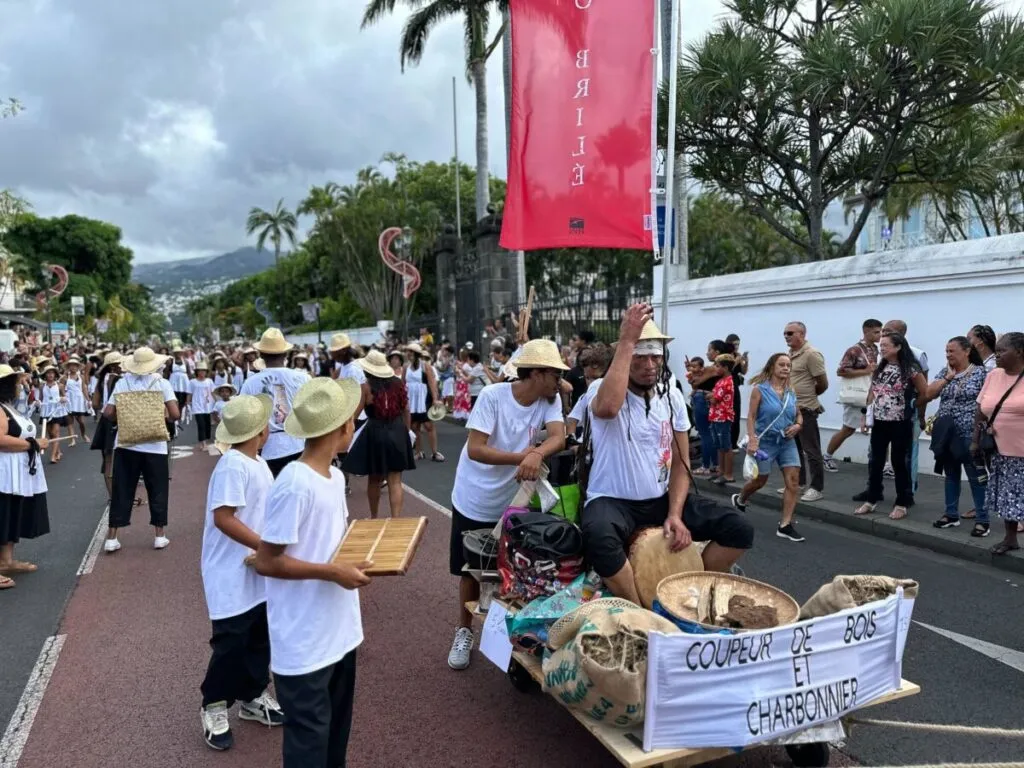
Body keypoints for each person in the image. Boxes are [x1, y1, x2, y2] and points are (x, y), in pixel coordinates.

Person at [580, 306, 753, 604]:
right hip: (611, 499)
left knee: (739, 528)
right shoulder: (600, 388)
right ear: (625, 357)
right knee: (598, 536)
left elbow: (680, 464)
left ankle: (691, 590)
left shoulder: (670, 395)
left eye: (655, 357)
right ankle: (641, 607)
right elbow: (607, 408)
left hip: (660, 499)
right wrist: (627, 340)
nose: (649, 365)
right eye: (640, 357)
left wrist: (674, 513)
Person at [254, 377, 370, 768]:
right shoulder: (294, 483)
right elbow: (267, 560)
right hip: (303, 641)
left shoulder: (335, 477)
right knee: (308, 745)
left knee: (335, 738)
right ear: (343, 427)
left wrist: (356, 560)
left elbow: (330, 543)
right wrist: (332, 572)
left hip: (340, 630)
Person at [447, 339, 567, 671]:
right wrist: (523, 458)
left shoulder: (550, 399)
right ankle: (464, 630)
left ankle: (506, 641)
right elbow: (476, 448)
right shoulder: (492, 396)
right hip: (474, 496)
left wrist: (536, 453)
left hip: (514, 500)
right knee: (470, 570)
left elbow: (559, 436)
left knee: (512, 571)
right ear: (537, 373)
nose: (560, 381)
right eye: (555, 374)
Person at [199, 394, 283, 751]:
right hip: (229, 570)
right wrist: (264, 545)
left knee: (258, 635)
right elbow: (223, 518)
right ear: (261, 431)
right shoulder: (233, 465)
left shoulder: (257, 462)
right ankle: (214, 705)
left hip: (255, 567)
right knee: (231, 642)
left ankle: (251, 696)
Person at [102, 346, 180, 553]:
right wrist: (161, 416)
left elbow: (108, 412)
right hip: (155, 446)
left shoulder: (122, 383)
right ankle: (159, 535)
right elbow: (175, 414)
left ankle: (112, 537)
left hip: (126, 443)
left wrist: (124, 417)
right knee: (158, 489)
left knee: (122, 489)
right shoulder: (161, 383)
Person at [732, 353, 805, 541]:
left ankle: (785, 525)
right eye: (782, 364)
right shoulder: (760, 390)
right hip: (765, 442)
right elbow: (751, 416)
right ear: (772, 367)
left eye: (788, 365)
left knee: (793, 482)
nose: (786, 368)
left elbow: (798, 414)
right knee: (760, 480)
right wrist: (752, 439)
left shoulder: (791, 391)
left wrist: (798, 425)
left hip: (787, 441)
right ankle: (741, 497)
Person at [855, 332, 926, 520]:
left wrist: (912, 407)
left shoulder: (910, 369)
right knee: (876, 461)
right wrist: (865, 415)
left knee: (898, 462)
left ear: (898, 347)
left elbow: (925, 392)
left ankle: (902, 502)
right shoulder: (881, 366)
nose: (882, 348)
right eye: (881, 345)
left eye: (886, 345)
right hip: (879, 421)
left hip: (900, 422)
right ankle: (871, 499)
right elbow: (872, 392)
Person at [926, 337, 989, 536]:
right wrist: (947, 378)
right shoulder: (945, 372)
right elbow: (928, 393)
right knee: (951, 474)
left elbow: (988, 403)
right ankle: (951, 514)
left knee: (976, 477)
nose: (948, 355)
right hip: (947, 434)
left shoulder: (980, 373)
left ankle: (982, 520)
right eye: (946, 351)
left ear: (967, 351)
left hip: (970, 433)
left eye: (952, 351)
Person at [343, 350, 416, 518]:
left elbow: (356, 414)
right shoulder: (398, 383)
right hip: (397, 430)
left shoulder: (366, 386)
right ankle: (395, 519)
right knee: (395, 480)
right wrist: (406, 431)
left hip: (375, 432)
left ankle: (374, 517)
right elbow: (406, 409)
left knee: (374, 480)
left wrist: (346, 430)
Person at [973, 332, 1024, 555]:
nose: (997, 355)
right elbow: (980, 409)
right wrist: (975, 441)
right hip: (998, 450)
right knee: (1007, 496)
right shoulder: (993, 375)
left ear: (1019, 352)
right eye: (996, 351)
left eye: (1002, 351)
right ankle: (1010, 538)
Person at [0, 364, 49, 590]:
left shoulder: (7, 407)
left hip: (15, 472)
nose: (21, 386)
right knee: (3, 514)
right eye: (17, 383)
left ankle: (6, 561)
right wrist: (32, 444)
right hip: (5, 472)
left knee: (11, 513)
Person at [240, 329, 310, 478]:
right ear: (285, 354)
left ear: (261, 355)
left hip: (269, 448)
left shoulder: (250, 383)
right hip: (300, 444)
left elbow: (244, 418)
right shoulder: (303, 378)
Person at [824, 319, 882, 471]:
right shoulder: (854, 350)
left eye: (880, 332)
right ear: (866, 331)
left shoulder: (876, 349)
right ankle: (827, 456)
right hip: (857, 395)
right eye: (876, 332)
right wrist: (866, 371)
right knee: (848, 429)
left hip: (873, 394)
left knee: (881, 429)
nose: (880, 335)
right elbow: (841, 371)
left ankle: (882, 463)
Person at [783, 321, 828, 502]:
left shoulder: (811, 354)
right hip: (791, 409)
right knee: (794, 449)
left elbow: (823, 383)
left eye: (790, 333)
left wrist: (809, 397)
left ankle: (816, 488)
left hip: (806, 409)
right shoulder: (790, 354)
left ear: (802, 334)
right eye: (785, 333)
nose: (786, 336)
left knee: (811, 450)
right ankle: (798, 483)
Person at [90, 351, 123, 504]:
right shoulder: (119, 380)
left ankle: (112, 495)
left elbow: (95, 404)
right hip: (117, 419)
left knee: (107, 459)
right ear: (114, 366)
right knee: (118, 459)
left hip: (104, 420)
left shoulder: (101, 380)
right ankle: (120, 496)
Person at [404, 342, 443, 462]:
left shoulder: (425, 366)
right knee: (414, 426)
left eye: (411, 352)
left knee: (428, 425)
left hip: (424, 398)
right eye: (408, 351)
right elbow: (403, 383)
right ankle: (418, 452)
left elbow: (432, 383)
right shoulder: (406, 367)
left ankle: (435, 452)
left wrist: (435, 399)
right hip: (411, 399)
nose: (408, 354)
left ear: (416, 354)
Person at [708, 354, 737, 485]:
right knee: (719, 446)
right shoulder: (720, 381)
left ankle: (728, 474)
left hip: (723, 417)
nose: (715, 368)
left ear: (725, 368)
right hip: (716, 416)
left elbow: (714, 399)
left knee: (726, 446)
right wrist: (711, 396)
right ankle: (721, 471)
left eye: (718, 366)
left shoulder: (728, 382)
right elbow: (714, 396)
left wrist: (710, 396)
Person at [39, 366, 68, 464]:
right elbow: (40, 398)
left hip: (56, 411)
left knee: (55, 433)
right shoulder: (42, 386)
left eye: (52, 373)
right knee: (50, 434)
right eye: (48, 373)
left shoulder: (60, 385)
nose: (50, 375)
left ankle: (53, 456)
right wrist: (38, 402)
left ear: (55, 374)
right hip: (46, 412)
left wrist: (63, 399)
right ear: (45, 375)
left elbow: (65, 396)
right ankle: (58, 451)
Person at [64, 356, 91, 444]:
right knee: (70, 422)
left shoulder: (81, 377)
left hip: (79, 401)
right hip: (69, 400)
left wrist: (88, 400)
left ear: (78, 367)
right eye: (71, 365)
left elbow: (84, 388)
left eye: (75, 365)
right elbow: (60, 388)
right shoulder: (65, 377)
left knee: (81, 422)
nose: (73, 367)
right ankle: (72, 439)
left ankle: (83, 435)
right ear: (68, 367)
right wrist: (63, 396)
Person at [189, 361, 216, 451]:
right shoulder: (192, 382)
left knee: (207, 425)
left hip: (207, 405)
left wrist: (216, 402)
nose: (202, 372)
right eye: (200, 370)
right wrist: (187, 403)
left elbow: (213, 392)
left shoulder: (209, 381)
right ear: (197, 372)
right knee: (201, 425)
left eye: (203, 371)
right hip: (197, 405)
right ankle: (203, 443)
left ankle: (205, 441)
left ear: (206, 372)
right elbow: (189, 393)